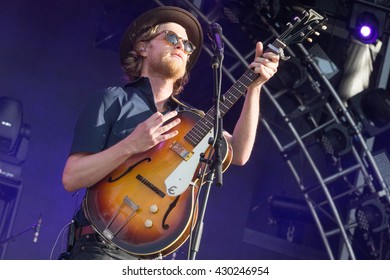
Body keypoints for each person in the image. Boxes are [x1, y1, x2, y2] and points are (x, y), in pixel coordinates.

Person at [60, 6, 279, 260]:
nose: (181, 47)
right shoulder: (111, 100)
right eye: (171, 38)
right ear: (143, 47)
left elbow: (239, 153)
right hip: (98, 250)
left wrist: (255, 89)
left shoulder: (191, 121)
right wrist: (131, 145)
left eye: (187, 46)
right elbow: (71, 178)